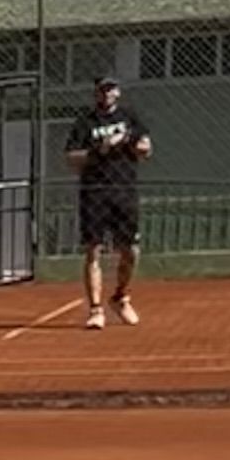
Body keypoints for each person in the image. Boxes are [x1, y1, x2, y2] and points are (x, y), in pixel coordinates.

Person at [67, 72, 154, 328]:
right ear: (96, 93)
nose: (107, 94)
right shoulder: (85, 122)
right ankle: (95, 309)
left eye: (111, 89)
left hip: (124, 190)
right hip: (94, 192)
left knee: (131, 251)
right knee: (93, 250)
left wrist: (126, 140)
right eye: (102, 90)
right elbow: (72, 158)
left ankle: (120, 297)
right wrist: (100, 149)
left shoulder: (130, 118)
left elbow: (147, 148)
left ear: (118, 92)